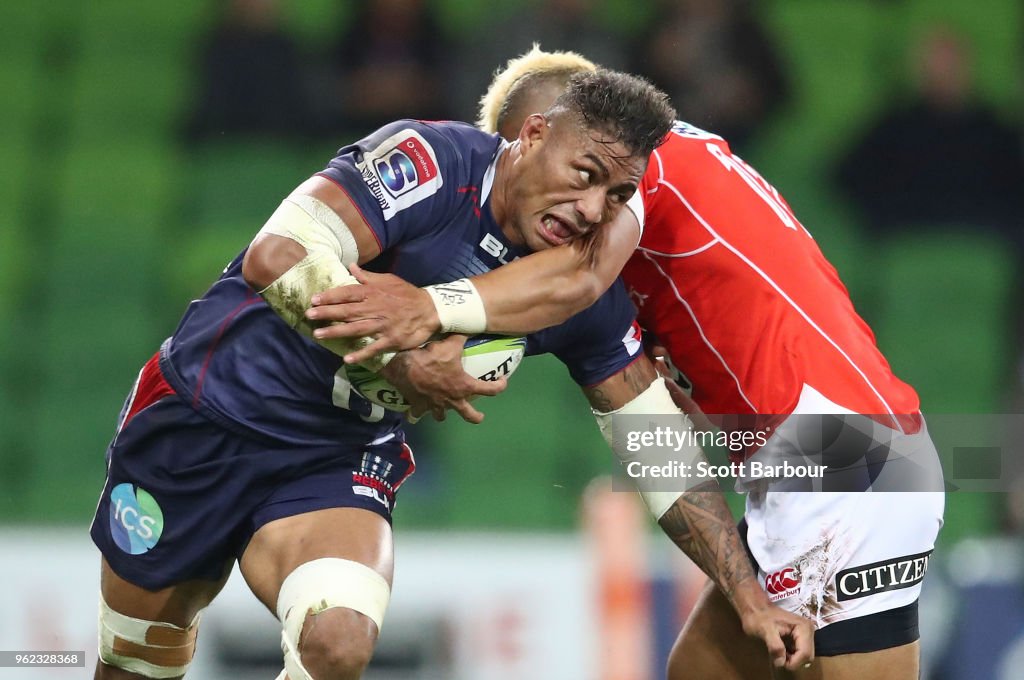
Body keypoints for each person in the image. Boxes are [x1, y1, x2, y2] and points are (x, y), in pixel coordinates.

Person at [91, 69, 811, 679]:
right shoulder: (430, 165)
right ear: (531, 137)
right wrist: (398, 361)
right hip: (204, 413)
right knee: (135, 663)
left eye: (617, 196)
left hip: (335, 455)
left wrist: (746, 593)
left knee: (336, 643)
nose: (592, 208)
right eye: (584, 176)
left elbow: (658, 450)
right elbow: (276, 255)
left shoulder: (579, 288)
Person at [309, 47, 944, 679]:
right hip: (798, 462)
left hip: (843, 455)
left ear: (555, 127)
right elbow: (654, 422)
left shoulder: (654, 162)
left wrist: (428, 310)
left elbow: (574, 283)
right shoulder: (637, 240)